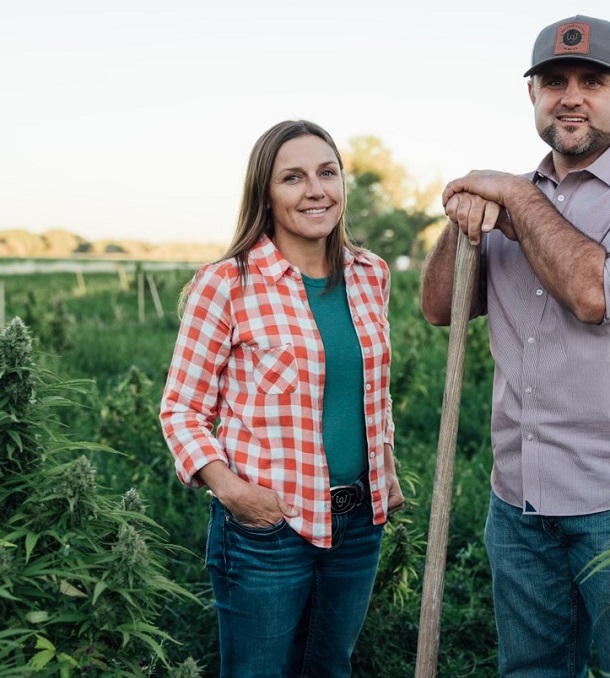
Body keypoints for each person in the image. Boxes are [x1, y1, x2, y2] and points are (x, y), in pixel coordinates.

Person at [421, 15, 610, 677]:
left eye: (592, 80)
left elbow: (596, 294)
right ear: (533, 96)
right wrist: (462, 221)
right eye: (553, 81)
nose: (571, 95)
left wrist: (517, 198)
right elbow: (441, 308)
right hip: (519, 499)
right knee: (531, 671)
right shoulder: (511, 196)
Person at [159, 119, 404, 678]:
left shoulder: (370, 275)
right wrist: (234, 492)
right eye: (292, 177)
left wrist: (384, 463)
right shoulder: (227, 283)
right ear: (265, 195)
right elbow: (181, 410)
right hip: (268, 530)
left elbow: (371, 388)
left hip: (358, 523)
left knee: (331, 668)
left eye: (327, 172)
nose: (315, 190)